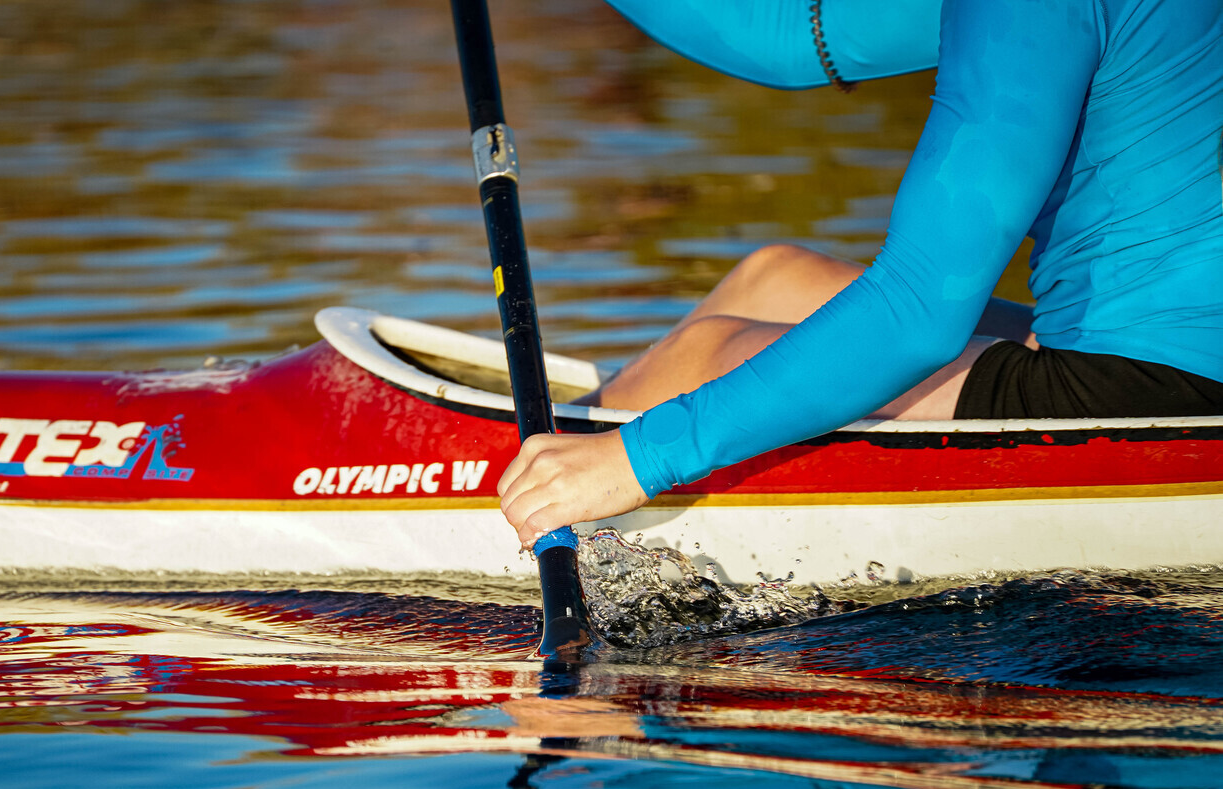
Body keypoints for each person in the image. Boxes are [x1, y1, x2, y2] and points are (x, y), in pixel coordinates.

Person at [497, 0, 1223, 548]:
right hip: (1173, 355)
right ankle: (540, 457)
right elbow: (794, 40)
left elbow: (918, 310)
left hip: (1155, 390)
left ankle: (518, 494)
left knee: (700, 356)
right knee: (775, 277)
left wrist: (638, 459)